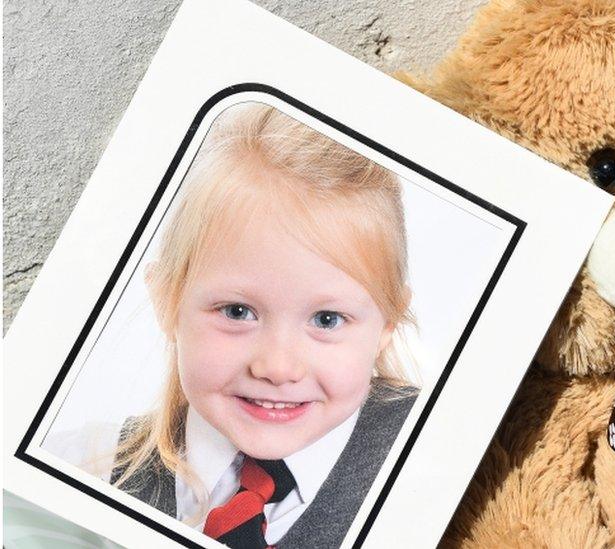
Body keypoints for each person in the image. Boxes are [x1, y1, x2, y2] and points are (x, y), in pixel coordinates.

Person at [44, 102, 420, 548]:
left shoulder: (440, 468)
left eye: (327, 319)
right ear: (168, 300)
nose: (278, 368)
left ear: (387, 324)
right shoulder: (79, 470)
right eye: (237, 312)